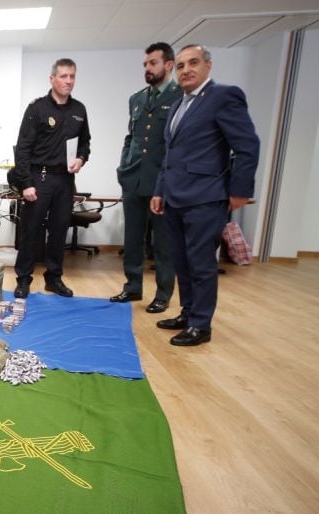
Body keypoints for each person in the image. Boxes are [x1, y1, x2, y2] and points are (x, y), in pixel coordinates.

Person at [150, 44, 259, 346]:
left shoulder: (224, 97)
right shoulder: (177, 105)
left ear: (208, 66)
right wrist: (160, 190)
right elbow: (169, 155)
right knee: (180, 261)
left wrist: (240, 190)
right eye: (182, 65)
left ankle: (201, 324)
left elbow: (248, 145)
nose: (187, 70)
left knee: (201, 263)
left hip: (205, 198)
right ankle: (187, 313)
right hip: (173, 198)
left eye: (193, 63)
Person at [110, 42, 182, 313]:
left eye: (153, 63)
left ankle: (163, 294)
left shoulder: (180, 97)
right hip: (134, 178)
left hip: (162, 183)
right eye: (145, 64)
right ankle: (132, 287)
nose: (148, 68)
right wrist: (123, 167)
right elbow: (131, 137)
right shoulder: (137, 99)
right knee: (132, 238)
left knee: (163, 242)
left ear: (168, 65)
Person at [12, 58, 91, 299]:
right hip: (39, 177)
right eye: (64, 76)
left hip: (65, 180)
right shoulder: (36, 108)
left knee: (59, 231)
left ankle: (54, 279)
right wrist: (26, 183)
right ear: (52, 79)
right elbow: (23, 148)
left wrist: (81, 158)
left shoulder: (79, 109)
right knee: (31, 231)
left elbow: (85, 142)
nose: (69, 81)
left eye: (72, 77)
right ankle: (24, 279)